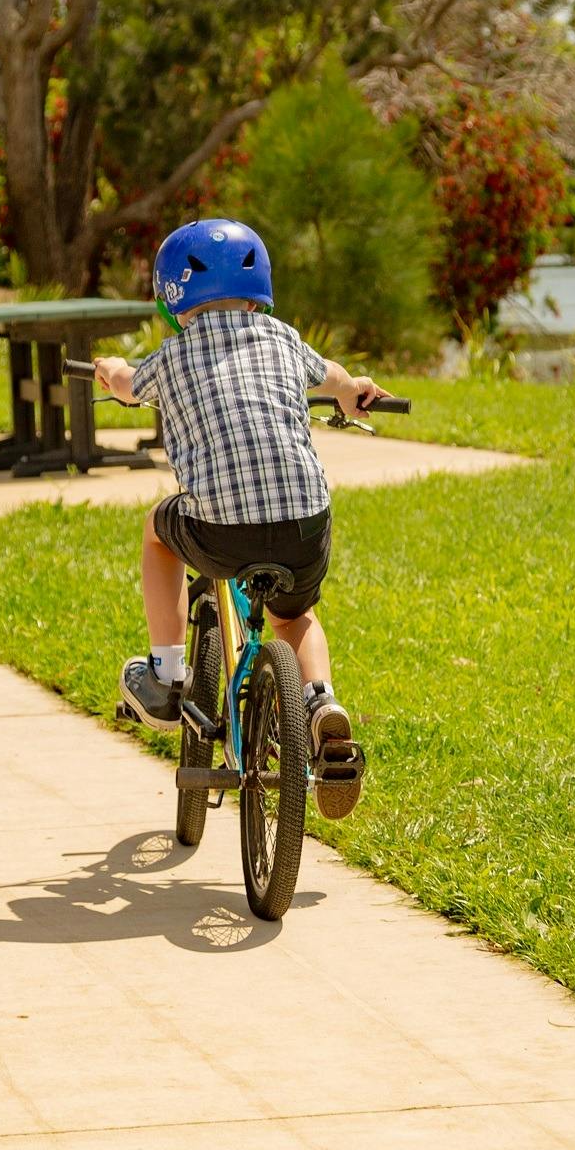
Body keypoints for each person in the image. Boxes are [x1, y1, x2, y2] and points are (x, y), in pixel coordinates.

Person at [91, 218, 387, 819]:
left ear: (173, 296)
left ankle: (168, 675)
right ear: (261, 288)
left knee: (157, 530)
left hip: (220, 534)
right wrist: (354, 388)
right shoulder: (282, 339)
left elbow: (126, 384)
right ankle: (321, 701)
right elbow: (331, 376)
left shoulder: (172, 356)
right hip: (305, 522)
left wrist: (111, 366)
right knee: (295, 614)